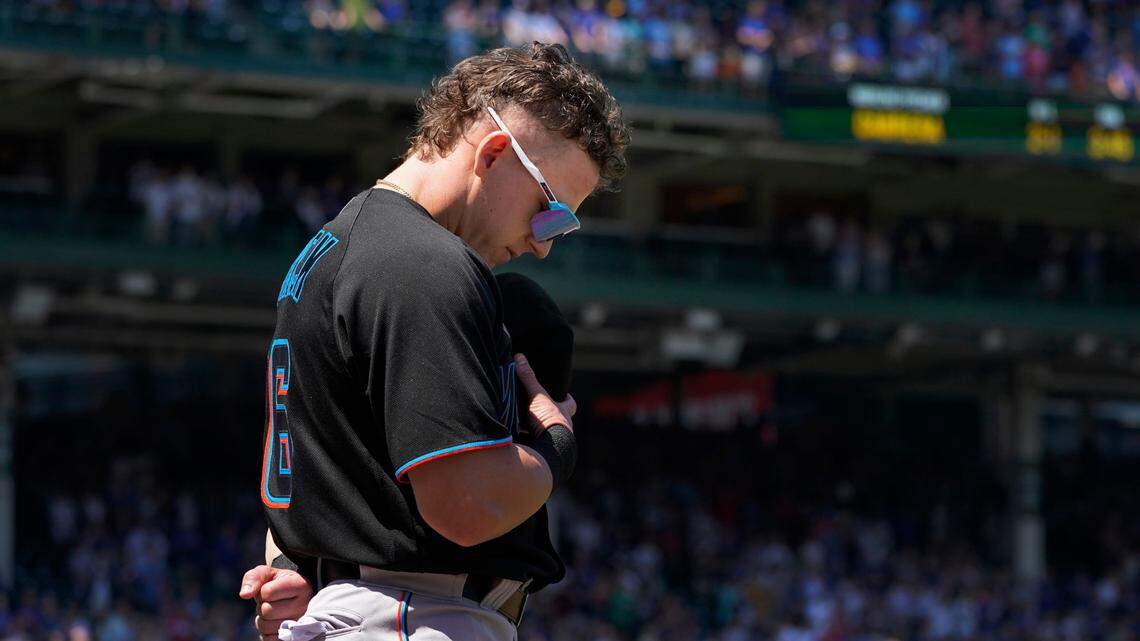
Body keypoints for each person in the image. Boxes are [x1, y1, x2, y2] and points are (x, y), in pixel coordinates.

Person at [237, 42, 629, 641]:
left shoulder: (331, 246)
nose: (544, 242)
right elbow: (465, 508)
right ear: (495, 153)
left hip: (353, 610)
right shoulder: (424, 265)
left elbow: (308, 465)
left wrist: (293, 567)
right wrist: (557, 447)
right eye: (549, 212)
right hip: (410, 617)